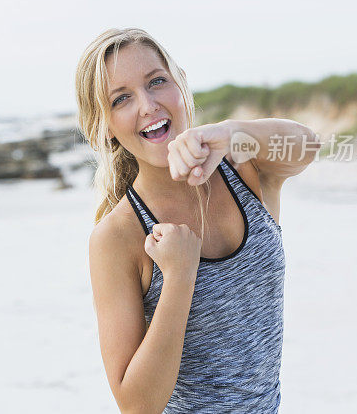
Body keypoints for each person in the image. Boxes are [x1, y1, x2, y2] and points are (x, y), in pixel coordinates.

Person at [75, 28, 319, 413]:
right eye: (122, 98)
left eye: (157, 81)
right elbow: (137, 406)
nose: (148, 105)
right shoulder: (118, 237)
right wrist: (178, 277)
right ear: (105, 126)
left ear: (181, 83)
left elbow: (308, 146)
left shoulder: (244, 167)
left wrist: (232, 132)